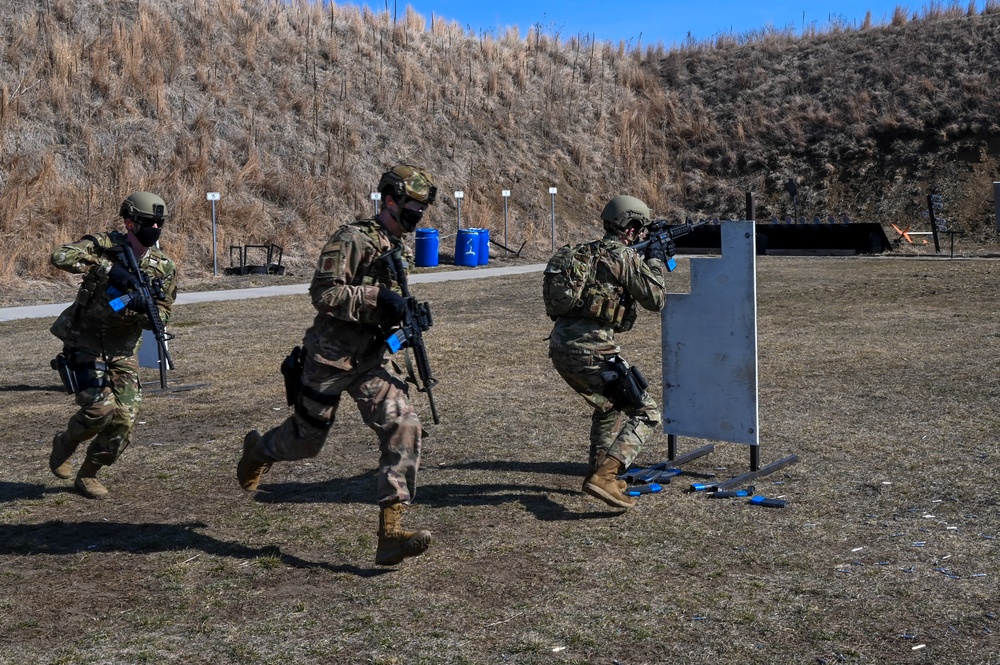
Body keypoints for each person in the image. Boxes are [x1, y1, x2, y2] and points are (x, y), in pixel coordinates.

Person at [238, 164, 438, 566]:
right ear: (390, 200)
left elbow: (389, 304)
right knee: (306, 441)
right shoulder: (353, 238)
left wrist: (407, 320)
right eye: (412, 206)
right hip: (329, 357)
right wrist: (378, 298)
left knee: (405, 426)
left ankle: (391, 534)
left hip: (371, 360)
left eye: (421, 208)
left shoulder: (398, 247)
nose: (417, 215)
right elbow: (323, 293)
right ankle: (259, 450)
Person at [48, 192, 177, 500]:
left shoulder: (162, 267)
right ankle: (65, 443)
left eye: (160, 223)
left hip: (122, 348)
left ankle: (89, 473)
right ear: (130, 222)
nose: (156, 228)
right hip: (86, 339)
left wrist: (141, 305)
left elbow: (164, 312)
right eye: (149, 222)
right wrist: (109, 270)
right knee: (99, 410)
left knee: (124, 420)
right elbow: (59, 256)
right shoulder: (104, 245)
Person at [544, 195, 669, 509]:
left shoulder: (586, 252)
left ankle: (598, 474)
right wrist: (655, 259)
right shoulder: (624, 257)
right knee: (647, 413)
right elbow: (655, 299)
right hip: (593, 352)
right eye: (638, 229)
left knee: (609, 406)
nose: (639, 235)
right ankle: (607, 476)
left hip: (561, 347)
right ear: (630, 226)